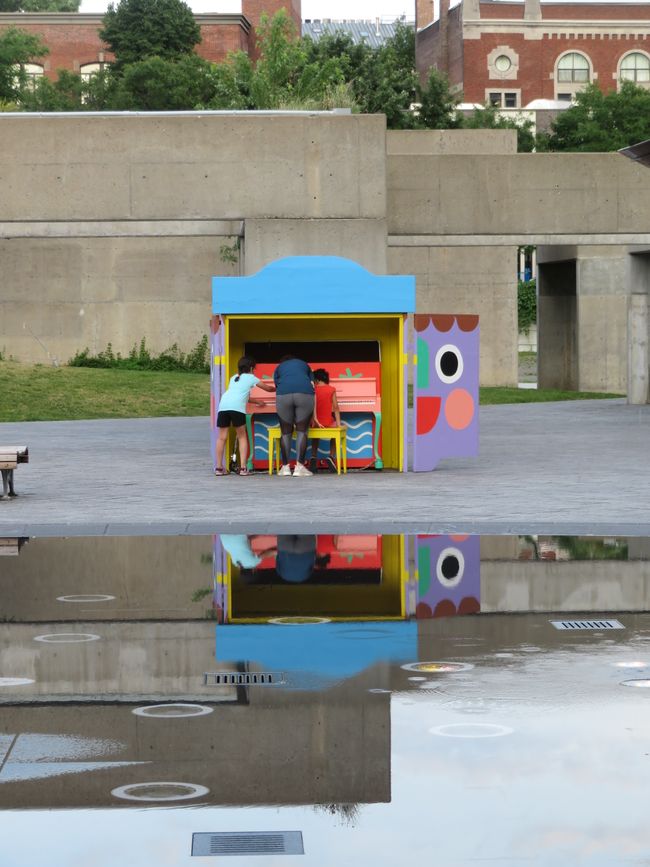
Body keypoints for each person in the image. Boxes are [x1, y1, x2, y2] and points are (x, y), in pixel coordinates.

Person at [215, 356, 274, 476]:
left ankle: (219, 468)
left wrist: (256, 401)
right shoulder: (251, 377)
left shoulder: (234, 378)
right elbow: (267, 388)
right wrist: (278, 387)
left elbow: (239, 394)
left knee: (222, 437)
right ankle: (243, 468)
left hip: (223, 407)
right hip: (237, 409)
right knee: (242, 436)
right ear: (251, 368)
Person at [273, 354, 315, 477]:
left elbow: (277, 385)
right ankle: (299, 468)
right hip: (304, 394)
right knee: (302, 431)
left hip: (283, 395)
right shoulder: (305, 365)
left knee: (285, 432)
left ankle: (285, 468)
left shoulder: (279, 367)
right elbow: (312, 384)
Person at [310, 368, 342, 472]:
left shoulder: (312, 389)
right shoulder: (331, 389)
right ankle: (331, 456)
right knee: (335, 433)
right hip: (327, 422)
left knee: (316, 434)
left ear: (317, 380)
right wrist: (338, 424)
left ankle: (313, 458)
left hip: (314, 423)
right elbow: (336, 407)